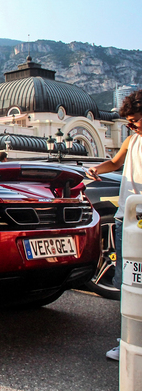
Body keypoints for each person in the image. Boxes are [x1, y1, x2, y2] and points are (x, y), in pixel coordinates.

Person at [86, 91, 142, 362]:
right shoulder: (131, 141)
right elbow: (115, 163)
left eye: (135, 121)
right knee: (126, 281)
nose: (131, 126)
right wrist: (98, 169)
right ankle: (128, 339)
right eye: (129, 122)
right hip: (124, 217)